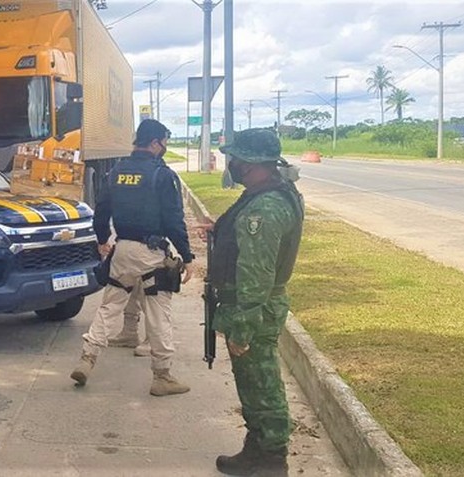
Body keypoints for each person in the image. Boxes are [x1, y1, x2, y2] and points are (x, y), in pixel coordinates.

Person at [203, 128, 304, 477]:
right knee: (253, 383)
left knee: (262, 385)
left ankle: (271, 458)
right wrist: (220, 232)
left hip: (253, 310)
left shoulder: (265, 207)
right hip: (254, 307)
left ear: (248, 164)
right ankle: (257, 449)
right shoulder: (269, 194)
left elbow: (256, 273)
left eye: (235, 158)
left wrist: (242, 327)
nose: (229, 164)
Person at [70, 119, 195, 396]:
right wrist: (187, 256)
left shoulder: (116, 172)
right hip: (152, 254)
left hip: (123, 250)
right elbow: (174, 220)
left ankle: (87, 358)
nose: (164, 147)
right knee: (159, 313)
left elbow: (101, 211)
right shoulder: (162, 175)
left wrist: (103, 240)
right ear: (154, 143)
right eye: (163, 142)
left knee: (109, 306)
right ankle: (162, 376)